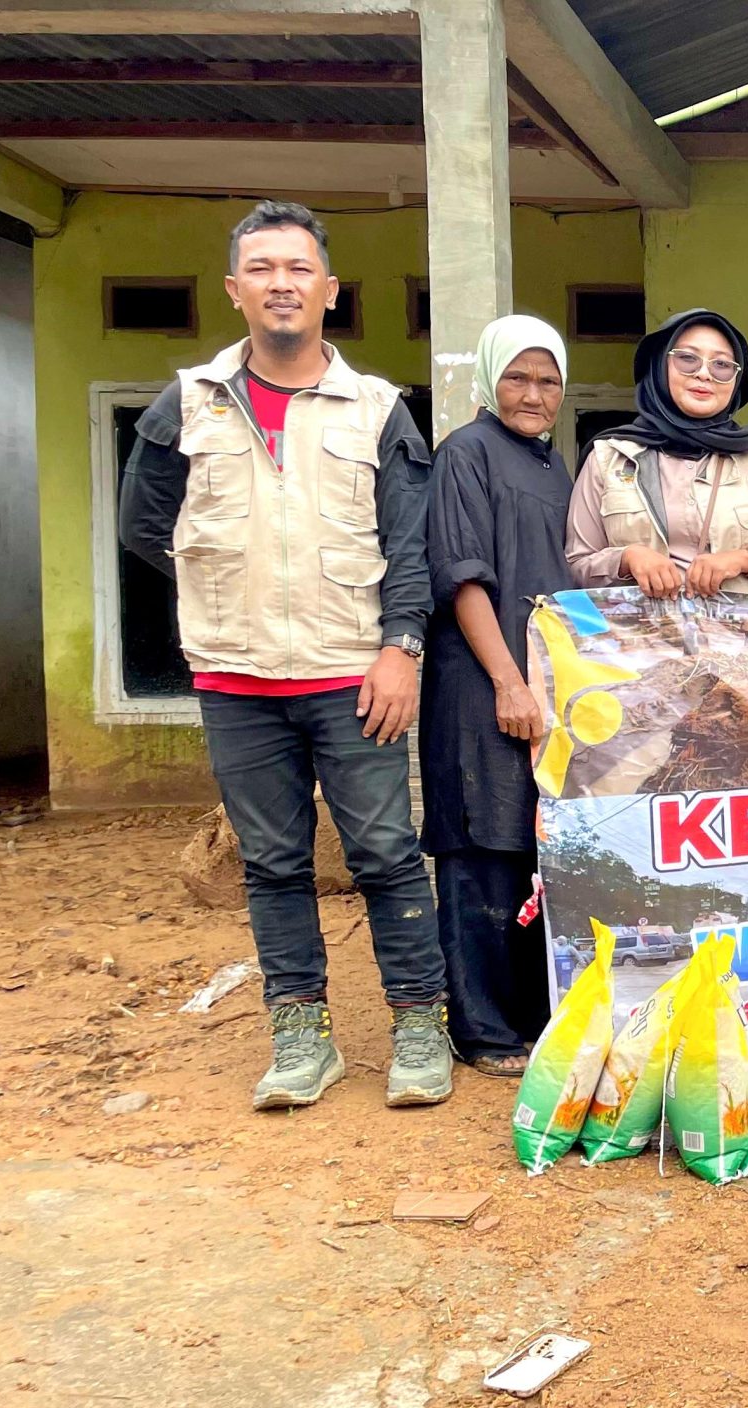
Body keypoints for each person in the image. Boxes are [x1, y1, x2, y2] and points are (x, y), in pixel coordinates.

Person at [117, 200, 451, 1111]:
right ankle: (301, 1037)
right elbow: (145, 527)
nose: (281, 284)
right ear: (235, 290)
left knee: (384, 853)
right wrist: (229, 585)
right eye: (261, 268)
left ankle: (421, 1026)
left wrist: (401, 648)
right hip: (237, 678)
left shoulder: (378, 409)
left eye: (298, 269)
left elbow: (408, 547)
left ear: (329, 290)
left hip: (353, 672)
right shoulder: (183, 403)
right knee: (272, 864)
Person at [421, 315, 574, 1078]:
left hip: (544, 693)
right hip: (482, 687)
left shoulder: (554, 467)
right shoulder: (466, 454)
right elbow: (462, 574)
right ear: (489, 380)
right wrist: (508, 680)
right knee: (480, 848)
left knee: (529, 851)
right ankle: (480, 1029)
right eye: (518, 377)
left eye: (548, 381)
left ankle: (528, 1017)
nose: (533, 394)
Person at [563, 309, 748, 599]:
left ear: (736, 380)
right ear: (659, 365)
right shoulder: (610, 457)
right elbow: (575, 564)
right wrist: (626, 559)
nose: (704, 374)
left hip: (742, 639)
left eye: (721, 365)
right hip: (639, 640)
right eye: (687, 359)